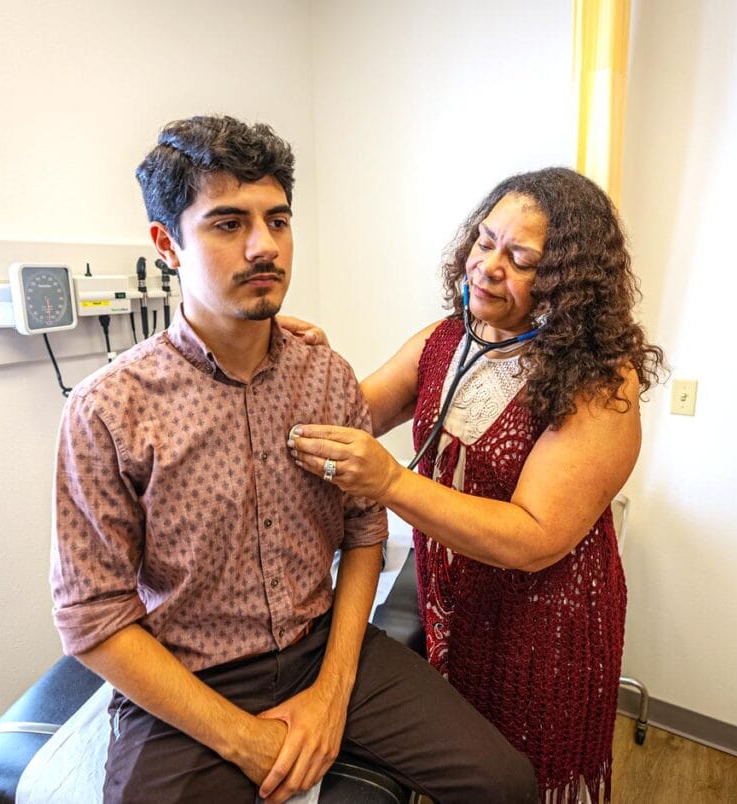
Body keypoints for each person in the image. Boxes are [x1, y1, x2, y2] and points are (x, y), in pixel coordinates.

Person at [49, 115, 538, 804]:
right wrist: (244, 739)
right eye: (227, 224)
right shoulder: (108, 410)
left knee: (505, 784)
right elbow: (92, 618)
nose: (263, 246)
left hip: (321, 645)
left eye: (277, 221)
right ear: (167, 245)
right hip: (193, 674)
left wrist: (332, 693)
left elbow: (365, 533)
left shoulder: (324, 377)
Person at [287, 168, 666, 802]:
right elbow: (351, 415)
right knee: (468, 767)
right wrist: (309, 365)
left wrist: (387, 483)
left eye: (520, 259)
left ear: (568, 282)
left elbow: (533, 537)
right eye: (484, 242)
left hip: (544, 626)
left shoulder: (601, 384)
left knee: (530, 777)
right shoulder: (443, 342)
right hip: (454, 604)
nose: (488, 266)